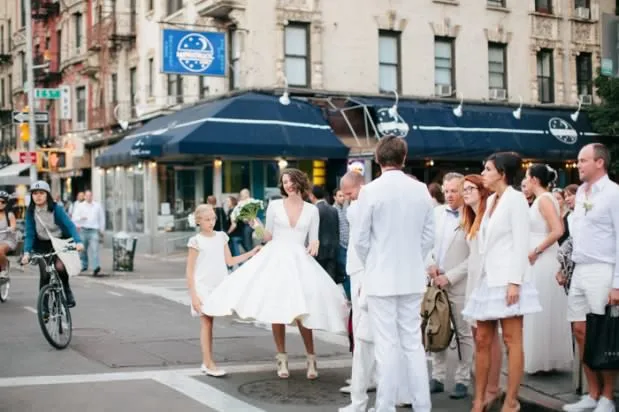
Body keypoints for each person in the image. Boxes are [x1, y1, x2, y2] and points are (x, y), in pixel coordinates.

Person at [203, 168, 348, 379]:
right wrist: (255, 224)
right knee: (276, 308)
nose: (288, 185)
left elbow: (314, 238)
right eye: (285, 182)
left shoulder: (311, 210)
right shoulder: (275, 205)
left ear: (299, 181)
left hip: (300, 261)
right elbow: (268, 236)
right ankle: (282, 359)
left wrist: (315, 244)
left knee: (303, 311)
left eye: (291, 181)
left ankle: (311, 358)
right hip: (276, 258)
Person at [352, 136, 434, 412]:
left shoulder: (370, 191)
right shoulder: (421, 189)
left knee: (386, 346)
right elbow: (428, 237)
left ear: (377, 159)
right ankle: (422, 406)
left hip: (381, 276)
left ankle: (385, 407)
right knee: (412, 344)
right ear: (404, 157)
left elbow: (360, 240)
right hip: (411, 276)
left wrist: (373, 263)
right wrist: (413, 259)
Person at [462, 152, 542, 412]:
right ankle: (479, 399)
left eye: (487, 169)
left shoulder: (516, 199)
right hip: (488, 280)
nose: (483, 173)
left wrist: (514, 282)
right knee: (483, 339)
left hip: (508, 279)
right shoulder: (492, 199)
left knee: (511, 339)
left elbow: (521, 243)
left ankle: (511, 401)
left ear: (502, 173)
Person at [560, 143, 619, 412]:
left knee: (602, 333)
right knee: (580, 331)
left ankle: (608, 396)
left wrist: (617, 283)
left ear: (599, 163)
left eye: (583, 160)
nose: (578, 164)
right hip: (580, 269)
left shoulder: (614, 193)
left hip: (602, 269)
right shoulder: (581, 192)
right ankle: (592, 393)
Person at [186, 204, 260, 377]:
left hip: (219, 285)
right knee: (206, 322)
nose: (211, 222)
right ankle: (208, 363)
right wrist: (194, 296)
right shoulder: (196, 241)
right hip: (202, 286)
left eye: (213, 218)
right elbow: (189, 271)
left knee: (211, 322)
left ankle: (207, 363)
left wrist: (251, 253)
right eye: (207, 219)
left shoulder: (221, 237)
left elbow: (229, 261)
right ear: (198, 221)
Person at [426, 172, 473, 399]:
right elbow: (424, 243)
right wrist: (430, 264)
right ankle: (437, 376)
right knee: (437, 328)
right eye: (446, 191)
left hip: (460, 284)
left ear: (464, 190)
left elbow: (474, 257)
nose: (449, 195)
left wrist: (451, 276)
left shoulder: (472, 216)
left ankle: (463, 379)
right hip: (435, 282)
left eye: (454, 191)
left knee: (463, 333)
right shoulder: (435, 213)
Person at [522, 164, 572, 375]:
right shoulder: (545, 199)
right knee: (541, 309)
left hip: (542, 259)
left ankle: (543, 360)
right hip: (540, 257)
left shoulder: (544, 200)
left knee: (540, 308)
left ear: (534, 179)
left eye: (527, 177)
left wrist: (536, 250)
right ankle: (544, 358)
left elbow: (558, 229)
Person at [461, 174, 503, 409]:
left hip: (486, 281)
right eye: (463, 189)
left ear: (481, 190)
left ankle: (493, 388)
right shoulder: (471, 217)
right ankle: (484, 386)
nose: (465, 192)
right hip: (473, 281)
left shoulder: (489, 215)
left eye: (470, 188)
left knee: (489, 337)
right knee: (479, 338)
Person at [21, 181, 84, 308]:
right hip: (41, 244)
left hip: (59, 241)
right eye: (35, 193)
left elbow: (69, 225)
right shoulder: (30, 212)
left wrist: (78, 242)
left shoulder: (56, 209)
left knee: (60, 267)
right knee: (45, 273)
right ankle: (43, 306)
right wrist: (26, 253)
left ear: (47, 195)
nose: (38, 196)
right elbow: (29, 233)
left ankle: (67, 290)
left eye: (41, 193)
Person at [0, 191, 16, 276]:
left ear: (6, 203)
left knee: (0, 250)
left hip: (7, 240)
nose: (0, 203)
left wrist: (11, 228)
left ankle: (4, 267)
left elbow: (13, 225)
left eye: (2, 202)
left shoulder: (9, 214)